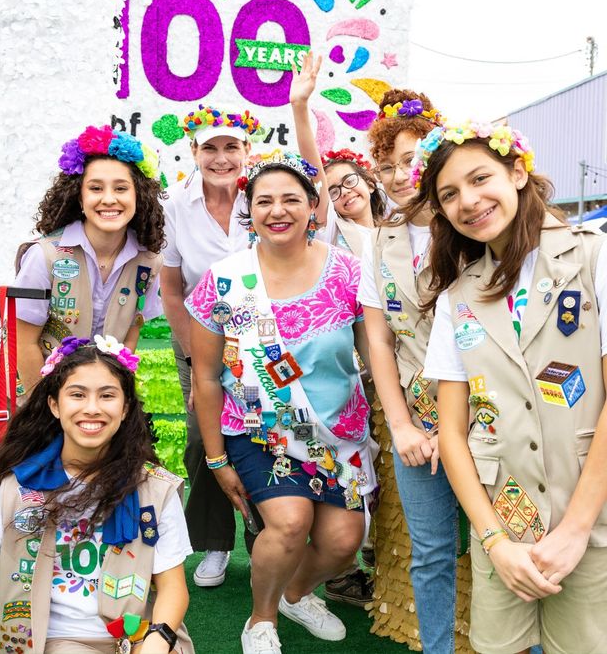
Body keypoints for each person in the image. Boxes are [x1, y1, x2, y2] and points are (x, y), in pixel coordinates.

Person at [418, 118, 607, 653]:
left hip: (591, 522)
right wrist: (495, 541)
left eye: (480, 179)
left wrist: (574, 532)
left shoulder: (594, 258)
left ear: (518, 172)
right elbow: (452, 434)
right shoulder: (457, 298)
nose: (468, 201)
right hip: (502, 521)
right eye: (449, 194)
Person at [187, 150, 377, 654]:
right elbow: (205, 378)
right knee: (290, 522)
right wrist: (216, 458)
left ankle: (295, 594)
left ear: (313, 205)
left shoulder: (350, 273)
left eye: (291, 198)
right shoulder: (223, 282)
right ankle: (261, 619)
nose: (278, 210)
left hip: (339, 433)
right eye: (264, 200)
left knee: (343, 542)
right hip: (258, 430)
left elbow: (374, 350)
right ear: (249, 209)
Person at [0, 336, 195, 653]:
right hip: (56, 642)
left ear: (125, 408)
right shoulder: (19, 488)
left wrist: (157, 640)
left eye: (107, 396)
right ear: (55, 404)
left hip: (139, 637)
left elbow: (173, 588)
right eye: (77, 395)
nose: (92, 408)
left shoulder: (154, 489)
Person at [361, 89, 465, 652]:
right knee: (430, 549)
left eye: (411, 158)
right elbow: (378, 340)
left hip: (492, 417)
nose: (401, 175)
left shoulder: (476, 225)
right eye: (387, 165)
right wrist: (400, 425)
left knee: (517, 535)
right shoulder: (379, 243)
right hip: (419, 419)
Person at [159, 104, 264, 589]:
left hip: (265, 341)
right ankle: (216, 545)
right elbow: (173, 289)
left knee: (267, 435)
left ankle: (262, 540)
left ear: (247, 151)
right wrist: (191, 354)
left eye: (231, 147)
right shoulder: (175, 205)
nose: (222, 158)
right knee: (205, 441)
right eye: (210, 148)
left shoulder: (263, 195)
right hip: (199, 340)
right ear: (194, 151)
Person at [14, 126, 165, 397]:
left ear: (137, 196)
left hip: (105, 404)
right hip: (44, 399)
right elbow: (23, 343)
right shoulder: (44, 255)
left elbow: (133, 328)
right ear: (80, 198)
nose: (109, 199)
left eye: (121, 188)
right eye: (96, 188)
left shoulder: (150, 262)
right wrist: (44, 410)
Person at [290, 51, 387, 260]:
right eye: (333, 191)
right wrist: (299, 105)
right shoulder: (333, 228)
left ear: (370, 184)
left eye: (349, 180)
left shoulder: (394, 231)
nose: (345, 192)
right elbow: (313, 169)